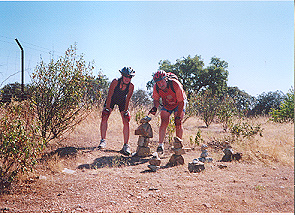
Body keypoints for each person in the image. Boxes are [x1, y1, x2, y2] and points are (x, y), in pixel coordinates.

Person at [98, 67, 135, 155]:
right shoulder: (115, 82)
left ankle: (126, 145)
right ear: (122, 75)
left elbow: (128, 99)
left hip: (122, 101)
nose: (127, 78)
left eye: (129, 77)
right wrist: (107, 108)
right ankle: (103, 140)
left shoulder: (131, 86)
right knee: (105, 116)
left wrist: (126, 111)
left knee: (126, 120)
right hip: (112, 99)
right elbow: (109, 95)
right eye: (125, 76)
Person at [149, 70, 187, 153]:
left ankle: (178, 145)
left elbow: (181, 102)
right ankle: (160, 145)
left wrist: (178, 117)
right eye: (158, 83)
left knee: (178, 123)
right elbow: (156, 99)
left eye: (162, 81)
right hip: (167, 104)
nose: (161, 84)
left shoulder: (175, 84)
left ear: (166, 79)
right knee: (164, 122)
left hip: (178, 103)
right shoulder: (156, 87)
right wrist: (155, 107)